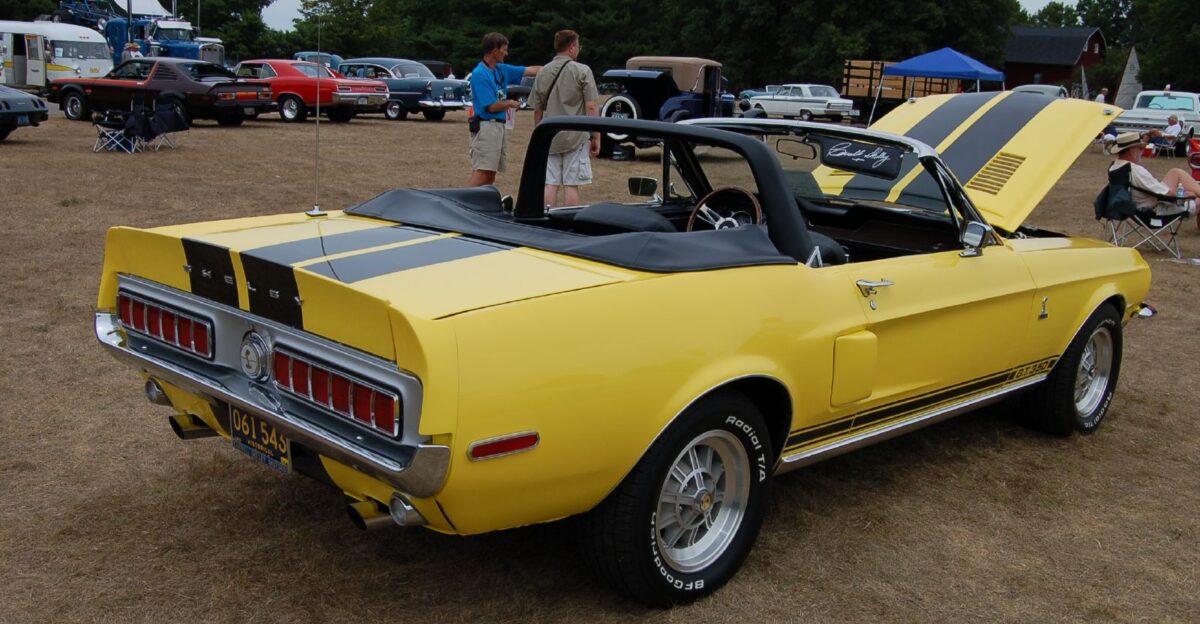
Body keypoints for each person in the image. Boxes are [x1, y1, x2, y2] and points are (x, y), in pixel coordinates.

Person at [528, 30, 600, 208]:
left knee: (550, 183)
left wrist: (540, 134)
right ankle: (568, 220)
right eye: (578, 45)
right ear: (572, 47)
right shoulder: (582, 71)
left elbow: (537, 109)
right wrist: (596, 135)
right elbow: (591, 106)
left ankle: (546, 217)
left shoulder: (543, 72)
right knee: (571, 184)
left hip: (550, 135)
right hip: (576, 136)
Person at [466, 32, 540, 187]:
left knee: (490, 175)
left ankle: (483, 207)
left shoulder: (501, 69)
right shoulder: (480, 74)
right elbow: (491, 106)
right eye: (504, 49)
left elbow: (529, 70)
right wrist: (510, 103)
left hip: (499, 126)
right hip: (486, 126)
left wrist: (555, 68)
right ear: (494, 51)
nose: (506, 53)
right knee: (481, 173)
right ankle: (463, 205)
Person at [1108, 132, 1199, 214]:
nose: (1142, 151)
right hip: (1155, 209)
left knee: (1175, 172)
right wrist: (1186, 195)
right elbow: (1167, 195)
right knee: (1197, 199)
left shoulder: (1115, 167)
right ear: (1131, 151)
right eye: (1140, 148)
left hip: (1142, 202)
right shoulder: (1135, 170)